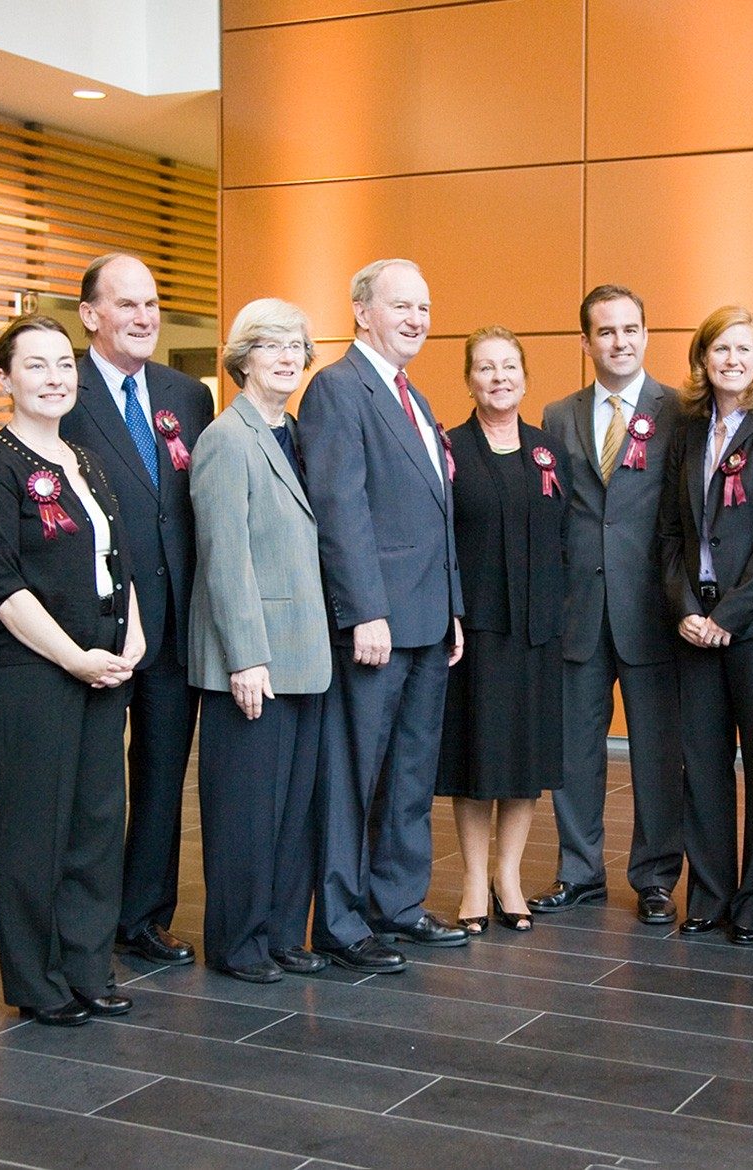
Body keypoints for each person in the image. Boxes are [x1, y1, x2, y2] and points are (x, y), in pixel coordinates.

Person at [0, 316, 145, 1025]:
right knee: (32, 828)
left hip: (104, 659)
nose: (54, 378)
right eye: (34, 366)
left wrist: (131, 637)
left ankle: (87, 967)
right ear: (4, 379)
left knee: (97, 822)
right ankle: (38, 984)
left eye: (62, 365)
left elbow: (116, 560)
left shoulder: (85, 459)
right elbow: (0, 588)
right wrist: (74, 657)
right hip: (36, 669)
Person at [298, 258, 468, 973]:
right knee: (351, 775)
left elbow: (435, 514)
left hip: (429, 621)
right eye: (401, 306)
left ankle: (394, 905)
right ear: (361, 311)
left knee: (408, 773)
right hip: (375, 626)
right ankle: (339, 923)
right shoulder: (337, 390)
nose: (415, 319)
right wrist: (363, 610)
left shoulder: (416, 399)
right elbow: (341, 509)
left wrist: (454, 606)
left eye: (424, 308)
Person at [62, 253, 213, 967]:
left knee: (160, 772)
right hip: (94, 623)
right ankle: (80, 919)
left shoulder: (187, 395)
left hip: (174, 621)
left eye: (152, 303)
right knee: (92, 781)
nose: (145, 317)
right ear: (90, 315)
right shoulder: (66, 388)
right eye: (127, 305)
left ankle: (144, 915)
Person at [528, 285, 684, 926]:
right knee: (574, 753)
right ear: (585, 342)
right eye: (606, 331)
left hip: (652, 610)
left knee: (655, 752)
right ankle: (579, 873)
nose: (620, 341)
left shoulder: (679, 410)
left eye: (631, 329)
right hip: (579, 611)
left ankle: (654, 876)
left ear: (646, 335)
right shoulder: (558, 414)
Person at [189, 299, 331, 983]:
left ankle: (279, 932)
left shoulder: (295, 434)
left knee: (293, 810)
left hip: (305, 654)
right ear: (241, 356)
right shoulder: (226, 437)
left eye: (295, 345)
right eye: (269, 344)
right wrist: (245, 655)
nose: (285, 356)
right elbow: (224, 557)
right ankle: (237, 943)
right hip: (252, 659)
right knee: (245, 812)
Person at [660, 306, 753, 944]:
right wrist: (687, 609)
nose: (732, 360)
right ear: (702, 358)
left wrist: (729, 615)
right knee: (704, 763)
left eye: (744, 349)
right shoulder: (687, 432)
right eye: (720, 349)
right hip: (697, 622)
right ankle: (711, 895)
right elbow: (670, 534)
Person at [437, 326, 568, 933]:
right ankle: (471, 881)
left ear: (524, 375)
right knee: (477, 758)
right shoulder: (448, 447)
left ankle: (509, 876)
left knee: (525, 759)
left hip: (538, 631)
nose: (499, 378)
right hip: (478, 630)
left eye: (509, 366)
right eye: (486, 368)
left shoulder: (548, 449)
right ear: (469, 379)